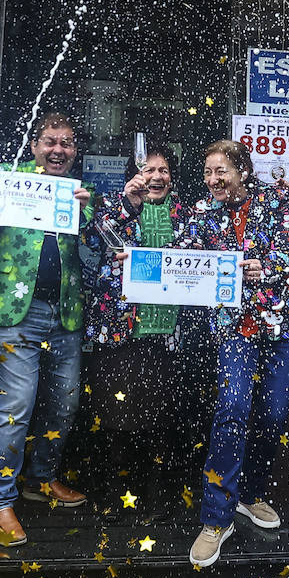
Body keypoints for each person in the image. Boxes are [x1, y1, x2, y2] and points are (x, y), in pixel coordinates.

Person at [120, 140, 289, 567]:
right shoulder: (201, 215)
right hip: (234, 330)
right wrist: (136, 263)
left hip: (285, 325)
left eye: (220, 171)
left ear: (242, 169)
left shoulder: (277, 198)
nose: (213, 180)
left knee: (274, 413)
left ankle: (252, 492)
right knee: (231, 410)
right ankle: (216, 517)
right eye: (207, 173)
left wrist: (268, 266)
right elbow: (181, 263)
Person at [0, 113, 94, 547]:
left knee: (66, 402)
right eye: (51, 141)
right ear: (34, 145)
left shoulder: (77, 192)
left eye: (68, 143)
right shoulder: (6, 178)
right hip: (14, 311)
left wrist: (87, 211)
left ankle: (40, 479)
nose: (59, 149)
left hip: (65, 313)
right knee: (15, 404)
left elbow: (97, 243)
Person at [82, 144, 196, 482]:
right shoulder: (113, 206)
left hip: (164, 329)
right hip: (120, 326)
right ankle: (119, 487)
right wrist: (128, 205)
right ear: (136, 174)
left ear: (172, 177)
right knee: (117, 410)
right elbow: (91, 241)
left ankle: (154, 491)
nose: (156, 177)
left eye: (163, 170)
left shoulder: (188, 214)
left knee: (158, 412)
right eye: (149, 170)